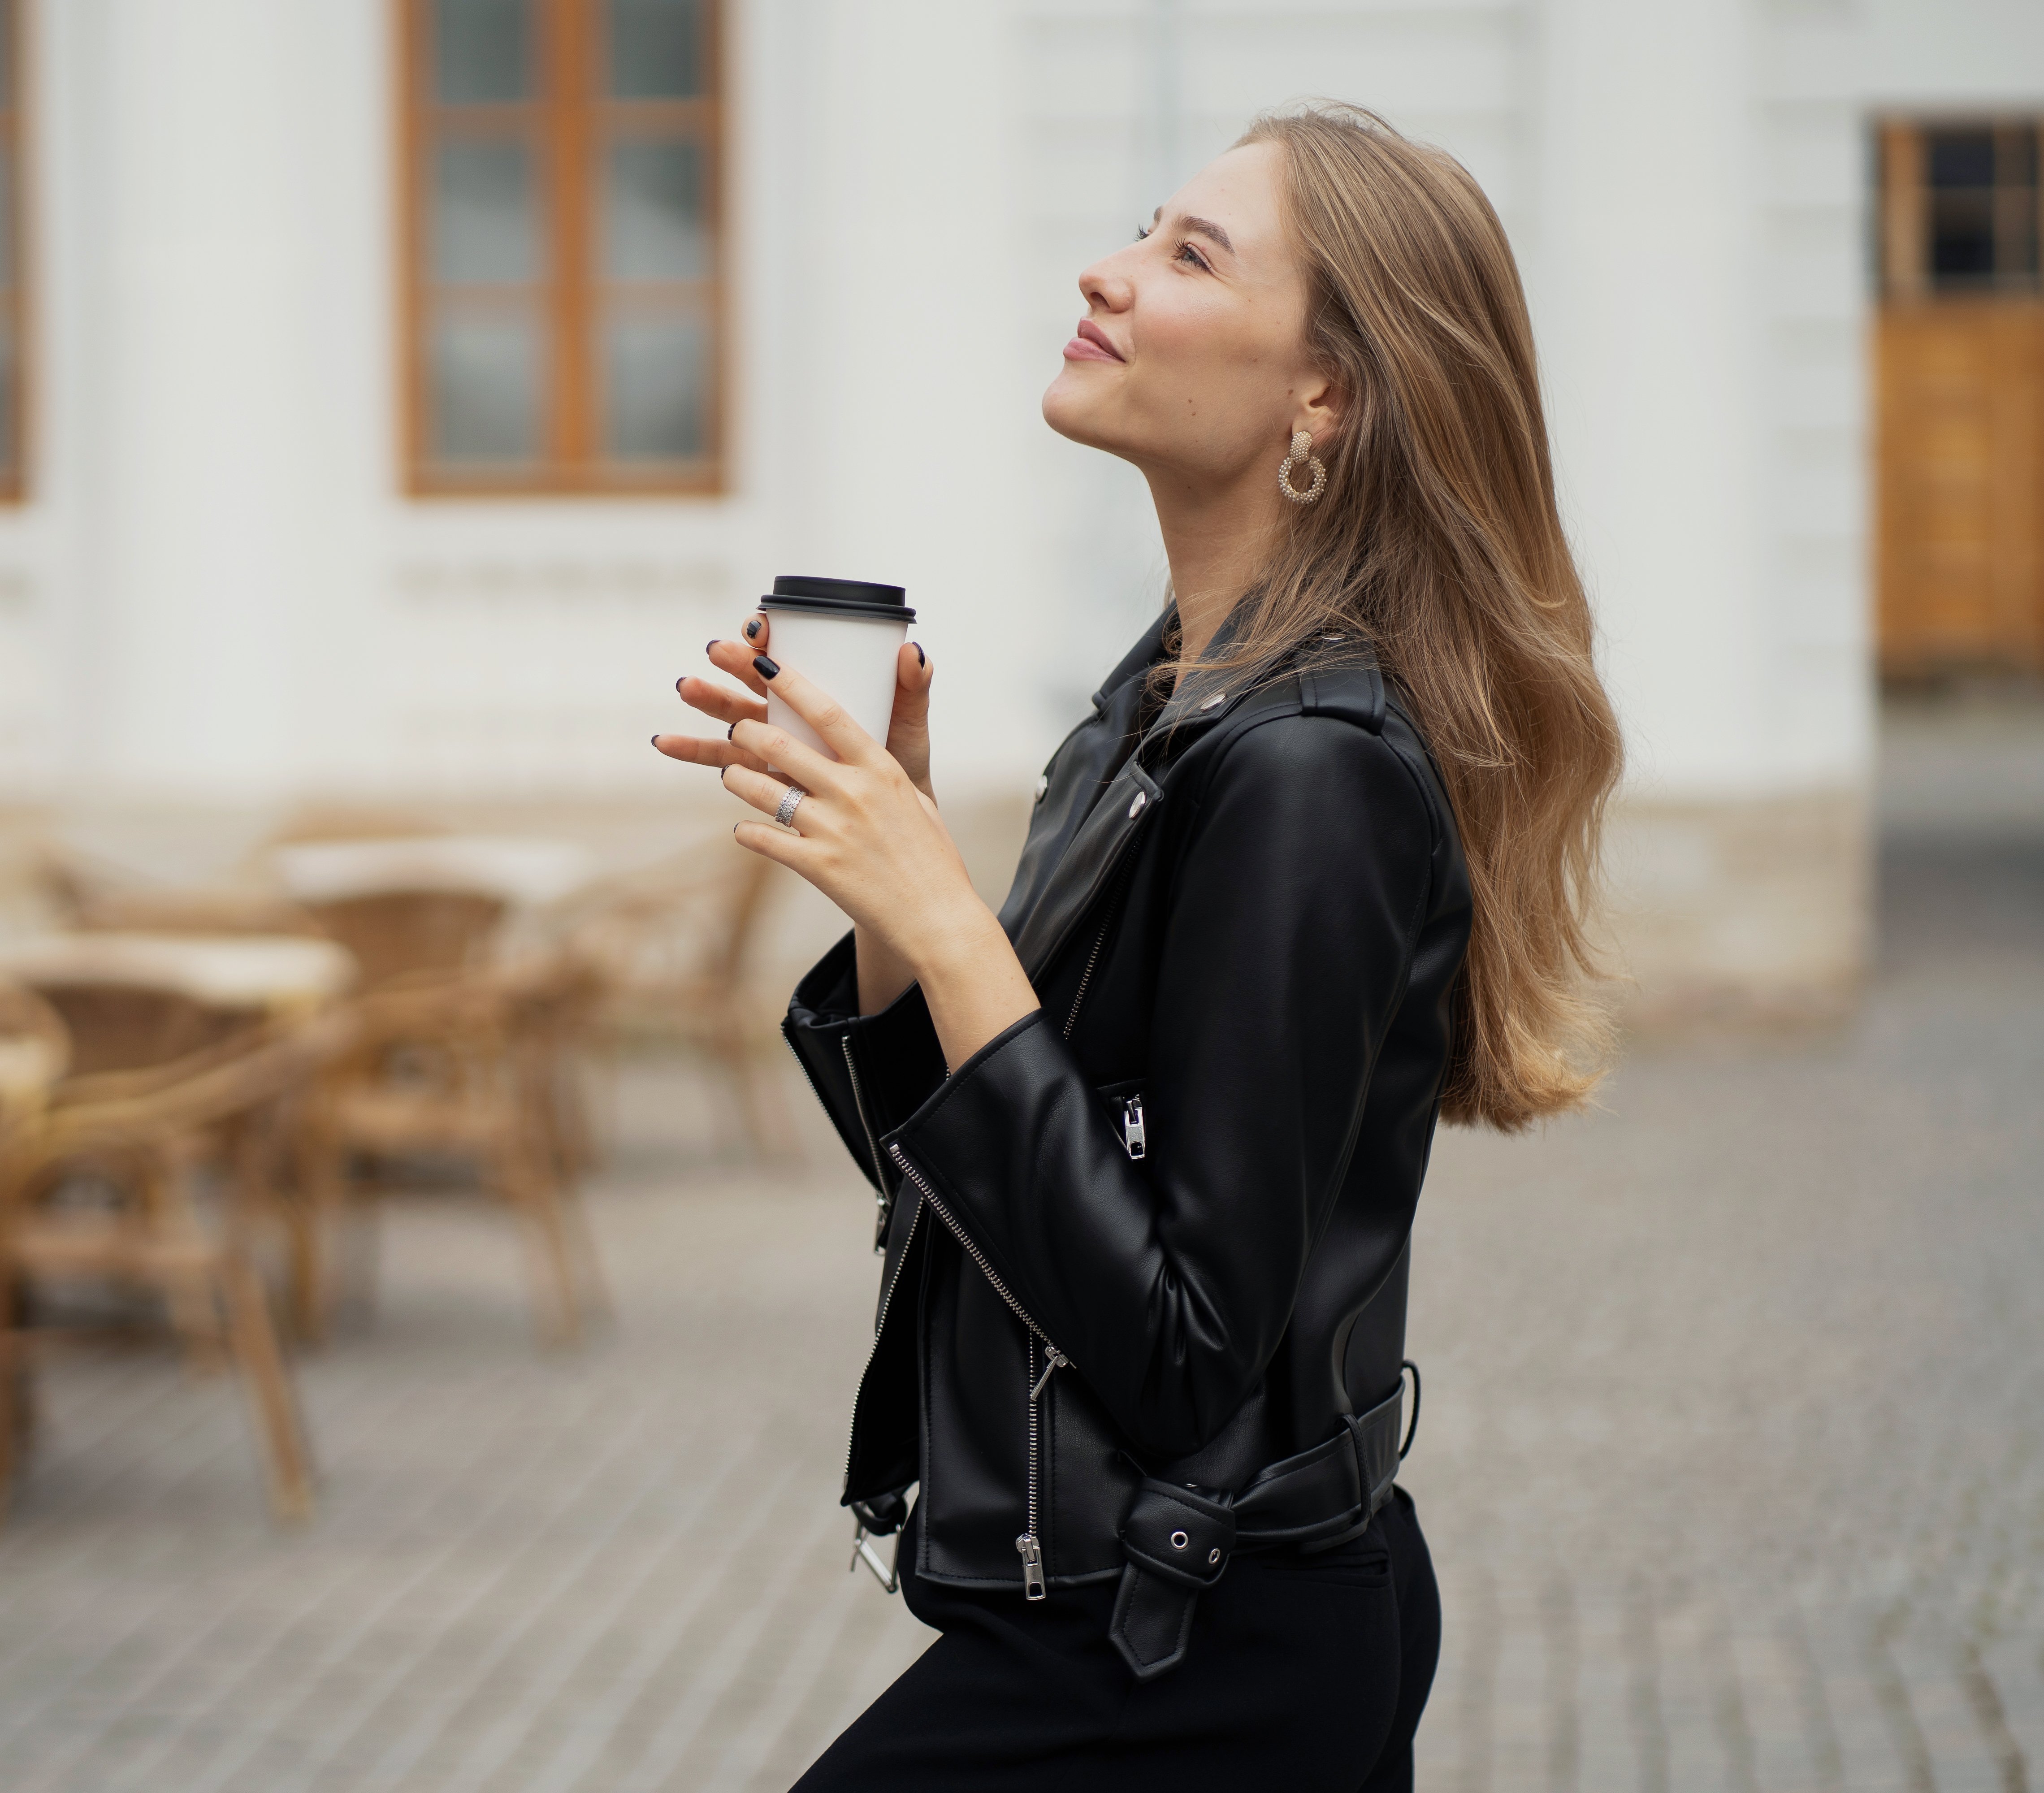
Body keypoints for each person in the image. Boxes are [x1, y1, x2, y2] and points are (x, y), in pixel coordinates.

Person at [653, 103, 1622, 1790]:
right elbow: (961, 1187)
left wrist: (953, 917)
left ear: (1326, 395)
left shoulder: (1310, 768)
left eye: (1190, 255)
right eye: (1144, 228)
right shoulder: (1162, 711)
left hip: (1199, 1656)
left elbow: (1180, 1353)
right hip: (1131, 1628)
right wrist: (902, 887)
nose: (1106, 270)